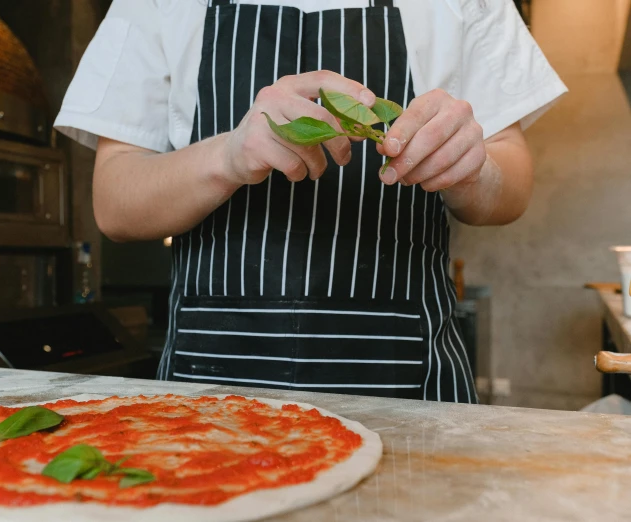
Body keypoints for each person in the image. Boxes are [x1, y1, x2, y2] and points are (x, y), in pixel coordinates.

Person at [54, 0, 567, 403]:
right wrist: (229, 156)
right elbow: (115, 205)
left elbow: (512, 185)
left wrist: (469, 169)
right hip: (209, 393)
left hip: (410, 384)